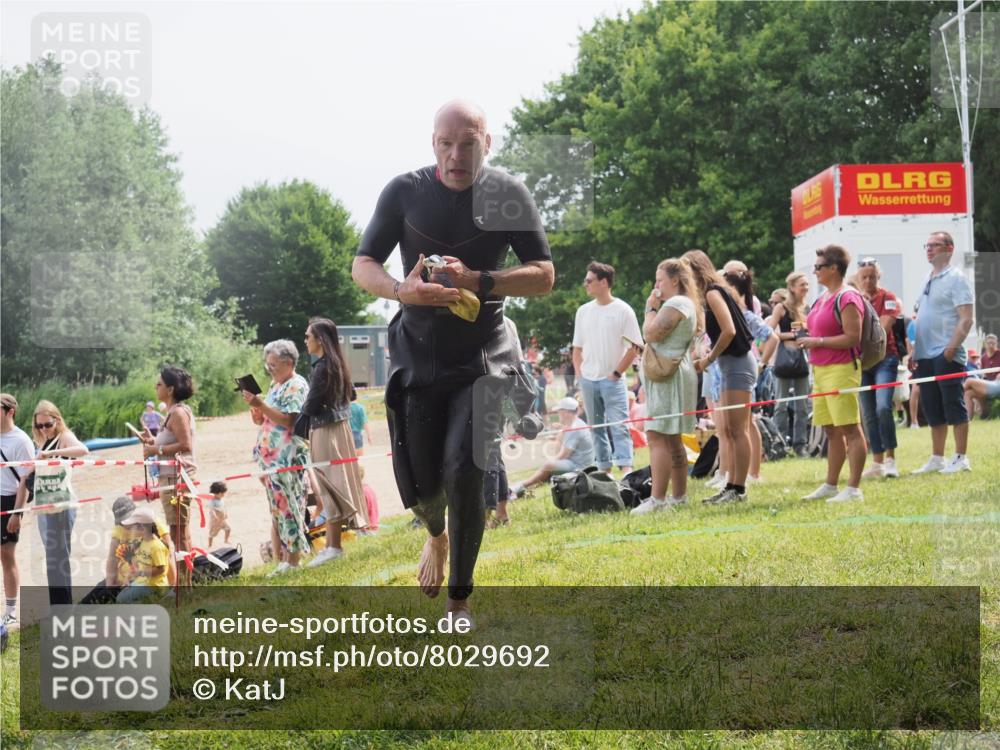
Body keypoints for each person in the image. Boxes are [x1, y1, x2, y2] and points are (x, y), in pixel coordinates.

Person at [350, 100, 553, 623]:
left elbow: (544, 275)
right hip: (418, 353)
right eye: (446, 143)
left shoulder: (508, 195)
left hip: (482, 355)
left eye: (468, 142)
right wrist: (401, 291)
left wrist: (481, 281)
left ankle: (459, 599)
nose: (456, 154)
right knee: (417, 481)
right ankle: (434, 536)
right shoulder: (405, 191)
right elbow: (363, 263)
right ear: (432, 143)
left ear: (489, 141)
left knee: (466, 469)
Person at [682, 250, 756, 504]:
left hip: (737, 363)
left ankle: (739, 487)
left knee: (738, 429)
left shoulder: (714, 292)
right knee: (727, 429)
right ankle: (730, 485)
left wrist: (708, 359)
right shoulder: (711, 293)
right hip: (728, 365)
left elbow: (729, 330)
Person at [798, 245, 868, 502]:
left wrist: (818, 342)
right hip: (821, 369)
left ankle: (853, 488)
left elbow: (853, 337)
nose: (814, 271)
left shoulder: (848, 297)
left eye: (818, 267)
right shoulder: (823, 297)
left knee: (850, 428)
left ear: (834, 268)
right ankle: (830, 485)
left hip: (841, 369)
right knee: (830, 429)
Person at [631, 258, 701, 513]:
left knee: (657, 435)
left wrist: (650, 308)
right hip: (672, 375)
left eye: (660, 279)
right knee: (671, 439)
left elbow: (651, 334)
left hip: (669, 377)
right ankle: (679, 496)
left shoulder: (677, 303)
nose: (656, 285)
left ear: (675, 280)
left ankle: (658, 500)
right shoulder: (683, 303)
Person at [299, 318, 368, 569]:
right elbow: (352, 395)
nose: (305, 340)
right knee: (338, 483)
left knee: (329, 486)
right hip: (341, 428)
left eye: (308, 336)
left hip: (325, 429)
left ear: (320, 339)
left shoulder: (322, 368)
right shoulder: (338, 363)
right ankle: (333, 545)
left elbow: (312, 404)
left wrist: (302, 414)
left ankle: (333, 547)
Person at [243, 339, 312, 575]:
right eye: (267, 365)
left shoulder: (296, 384)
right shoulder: (275, 385)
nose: (269, 369)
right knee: (278, 510)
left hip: (287, 458)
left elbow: (289, 420)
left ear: (288, 362)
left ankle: (293, 560)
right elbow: (263, 419)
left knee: (290, 507)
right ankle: (284, 557)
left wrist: (261, 404)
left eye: (273, 365)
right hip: (271, 460)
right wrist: (256, 409)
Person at [911, 231, 975, 474]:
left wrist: (950, 348)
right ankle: (937, 458)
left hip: (945, 353)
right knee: (931, 407)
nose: (929, 249)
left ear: (949, 248)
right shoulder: (927, 278)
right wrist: (916, 350)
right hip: (925, 354)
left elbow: (966, 319)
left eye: (934, 245)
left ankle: (960, 457)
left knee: (953, 404)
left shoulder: (957, 278)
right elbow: (921, 317)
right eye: (926, 245)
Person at [572, 261, 642, 476]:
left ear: (604, 282)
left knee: (619, 425)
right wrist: (579, 375)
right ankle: (604, 470)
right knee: (596, 428)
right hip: (589, 379)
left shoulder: (623, 310)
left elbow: (636, 347)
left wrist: (616, 373)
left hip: (613, 380)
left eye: (589, 280)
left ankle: (626, 469)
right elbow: (577, 348)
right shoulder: (583, 311)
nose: (585, 284)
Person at [724, 261, 779, 484]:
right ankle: (734, 474)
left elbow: (772, 337)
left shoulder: (745, 315)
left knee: (747, 424)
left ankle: (751, 473)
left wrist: (761, 364)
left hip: (744, 371)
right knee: (735, 428)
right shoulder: (732, 313)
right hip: (729, 372)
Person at [141, 366, 196, 581]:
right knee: (178, 530)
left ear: (171, 389)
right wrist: (153, 441)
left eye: (160, 384)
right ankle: (184, 584)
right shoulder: (172, 413)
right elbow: (173, 442)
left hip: (177, 478)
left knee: (178, 533)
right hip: (170, 477)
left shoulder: (178, 413)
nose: (156, 387)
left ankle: (185, 584)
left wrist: (156, 450)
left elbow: (185, 445)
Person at [855, 258, 903, 479]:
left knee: (883, 407)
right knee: (867, 413)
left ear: (878, 277)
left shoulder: (889, 298)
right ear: (858, 278)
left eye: (872, 277)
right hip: (862, 362)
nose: (868, 281)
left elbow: (882, 329)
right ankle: (877, 461)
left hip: (886, 358)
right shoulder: (853, 298)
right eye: (864, 277)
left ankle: (891, 459)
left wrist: (865, 309)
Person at [766, 271, 812, 455]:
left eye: (807, 284)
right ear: (792, 287)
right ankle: (779, 444)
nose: (806, 288)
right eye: (802, 284)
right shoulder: (781, 308)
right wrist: (793, 335)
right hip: (784, 360)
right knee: (781, 405)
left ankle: (800, 444)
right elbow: (770, 332)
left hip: (802, 359)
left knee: (802, 405)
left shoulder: (807, 308)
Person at [511, 397, 595, 494]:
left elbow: (564, 455)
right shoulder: (575, 424)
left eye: (559, 411)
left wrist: (550, 461)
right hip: (580, 463)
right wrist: (561, 432)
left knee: (549, 464)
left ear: (565, 412)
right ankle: (527, 487)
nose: (558, 414)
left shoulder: (574, 429)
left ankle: (520, 486)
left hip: (579, 466)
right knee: (550, 466)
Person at [1, 394, 35, 626]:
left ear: (9, 411)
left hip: (8, 501)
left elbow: (26, 479)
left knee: (7, 555)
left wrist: (17, 513)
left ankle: (11, 610)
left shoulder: (21, 440)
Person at [116, 505, 170, 604]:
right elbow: (140, 563)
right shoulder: (142, 541)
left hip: (155, 586)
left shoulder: (156, 546)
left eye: (132, 527)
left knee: (122, 600)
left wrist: (140, 573)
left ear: (143, 528)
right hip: (144, 581)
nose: (130, 530)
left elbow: (161, 569)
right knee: (121, 596)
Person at [207, 481, 231, 548]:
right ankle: (210, 545)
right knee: (212, 534)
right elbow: (212, 510)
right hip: (215, 521)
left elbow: (223, 507)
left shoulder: (221, 499)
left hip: (222, 520)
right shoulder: (212, 501)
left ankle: (226, 540)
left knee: (228, 529)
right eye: (222, 493)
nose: (224, 495)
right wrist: (215, 516)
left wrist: (226, 514)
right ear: (215, 493)